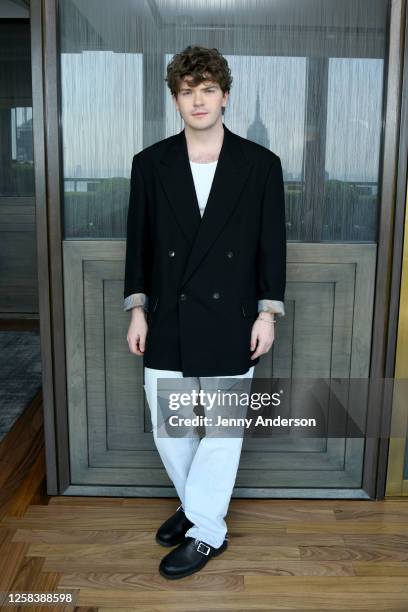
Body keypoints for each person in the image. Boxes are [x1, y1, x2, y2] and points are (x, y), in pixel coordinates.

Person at [124, 45, 286, 580]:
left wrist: (267, 314)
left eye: (208, 89)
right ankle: (197, 507)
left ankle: (206, 530)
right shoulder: (150, 164)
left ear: (225, 95)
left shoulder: (260, 165)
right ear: (176, 99)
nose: (199, 100)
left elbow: (271, 247)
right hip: (167, 313)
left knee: (221, 429)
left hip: (232, 315)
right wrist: (137, 310)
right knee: (170, 427)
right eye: (188, 91)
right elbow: (139, 246)